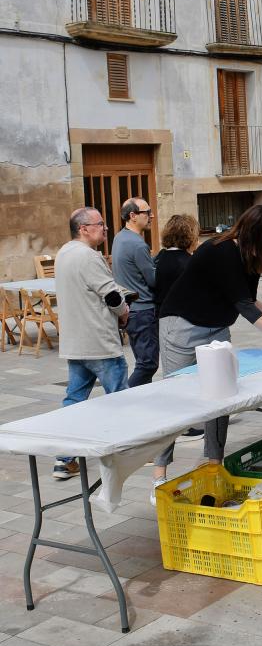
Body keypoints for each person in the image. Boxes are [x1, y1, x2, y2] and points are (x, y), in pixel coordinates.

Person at [152, 205, 262, 504]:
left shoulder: (249, 257)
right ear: (254, 233)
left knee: (221, 397)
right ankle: (159, 475)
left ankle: (212, 464)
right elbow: (245, 309)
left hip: (216, 329)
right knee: (174, 400)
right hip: (181, 326)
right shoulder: (220, 251)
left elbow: (250, 300)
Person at [52, 208, 130, 479]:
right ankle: (128, 452)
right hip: (99, 342)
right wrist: (124, 312)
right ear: (83, 228)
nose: (105, 228)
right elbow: (110, 295)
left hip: (76, 341)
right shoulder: (89, 257)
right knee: (122, 398)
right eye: (100, 224)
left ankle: (64, 460)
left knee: (74, 400)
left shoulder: (63, 253)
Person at [154, 214, 204, 439]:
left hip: (163, 319)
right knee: (186, 375)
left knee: (173, 373)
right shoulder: (188, 263)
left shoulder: (159, 258)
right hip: (185, 322)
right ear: (189, 235)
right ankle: (186, 423)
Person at [112, 198, 158, 386]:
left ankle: (141, 404)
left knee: (143, 361)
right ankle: (126, 398)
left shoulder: (120, 237)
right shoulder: (138, 244)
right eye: (147, 212)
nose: (151, 216)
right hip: (143, 311)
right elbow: (154, 280)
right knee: (148, 364)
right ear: (132, 216)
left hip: (132, 310)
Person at [154, 214, 201, 313]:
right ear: (190, 237)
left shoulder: (162, 256)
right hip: (182, 318)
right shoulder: (188, 262)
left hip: (162, 315)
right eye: (197, 236)